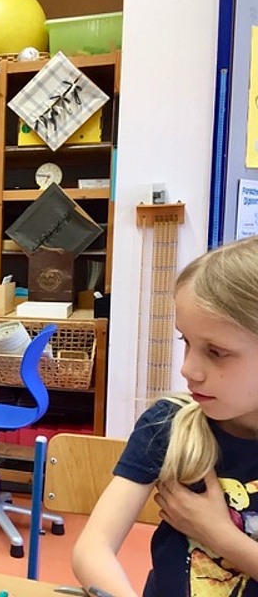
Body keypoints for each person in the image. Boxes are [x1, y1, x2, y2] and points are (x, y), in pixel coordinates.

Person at [72, 235, 258, 596]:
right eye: (185, 341)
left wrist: (219, 534)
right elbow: (92, 548)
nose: (188, 369)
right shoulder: (168, 425)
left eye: (216, 352)